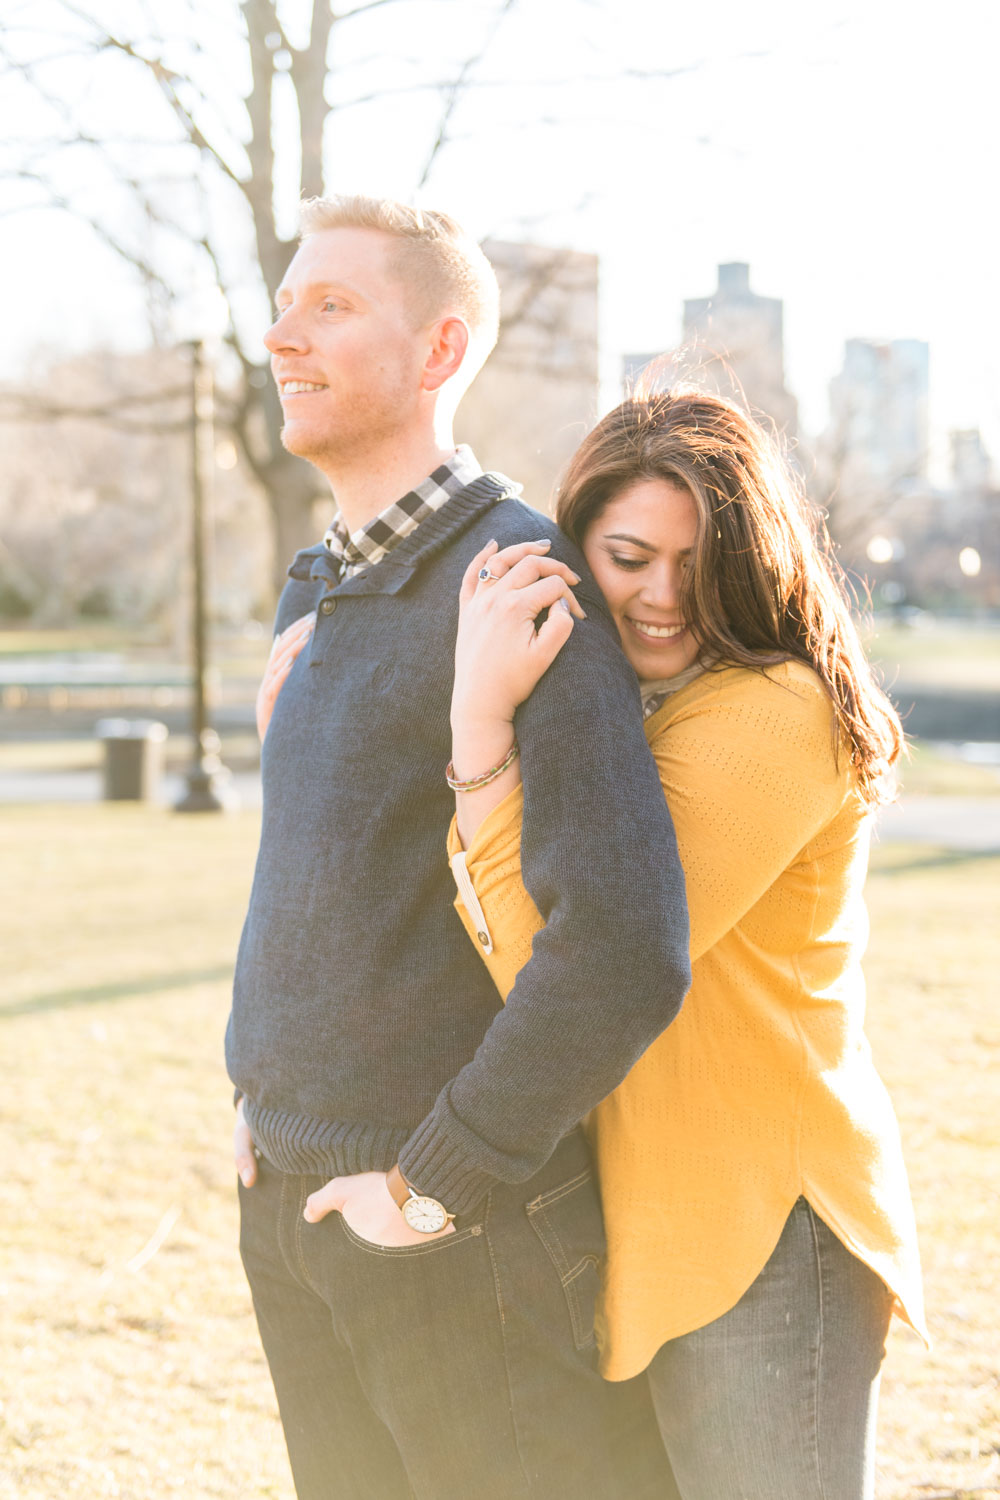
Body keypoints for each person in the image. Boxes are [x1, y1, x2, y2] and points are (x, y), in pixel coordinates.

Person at [227, 193, 690, 1500]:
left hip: (449, 1235)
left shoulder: (522, 583)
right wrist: (262, 1096)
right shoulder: (321, 583)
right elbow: (327, 875)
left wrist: (433, 1186)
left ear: (439, 353)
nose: (282, 336)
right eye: (283, 303)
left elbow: (624, 944)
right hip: (293, 1202)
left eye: (332, 305)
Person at [442, 389, 928, 1500]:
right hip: (644, 1216)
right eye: (625, 555)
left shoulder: (773, 711)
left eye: (696, 561)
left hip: (760, 1227)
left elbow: (559, 972)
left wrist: (478, 732)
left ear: (753, 560)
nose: (660, 596)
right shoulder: (618, 707)